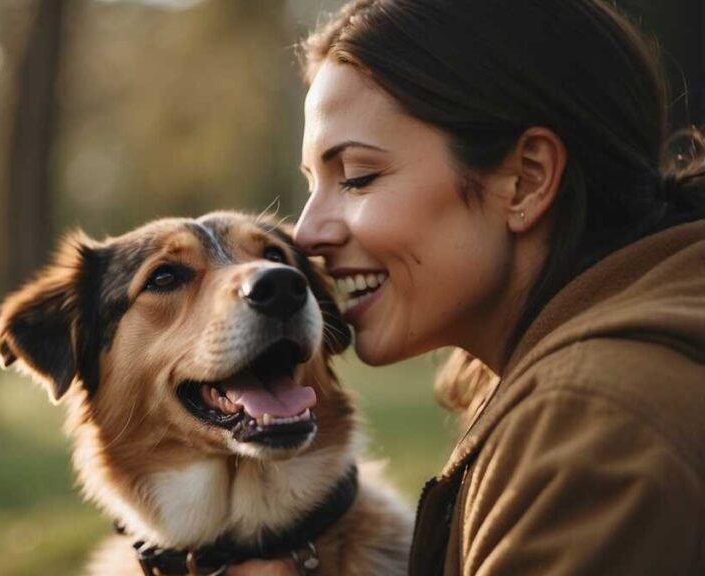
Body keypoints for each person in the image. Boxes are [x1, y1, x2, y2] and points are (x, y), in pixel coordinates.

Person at [230, 0, 704, 574]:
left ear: (525, 180)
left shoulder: (592, 431)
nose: (307, 235)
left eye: (357, 177)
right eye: (313, 183)